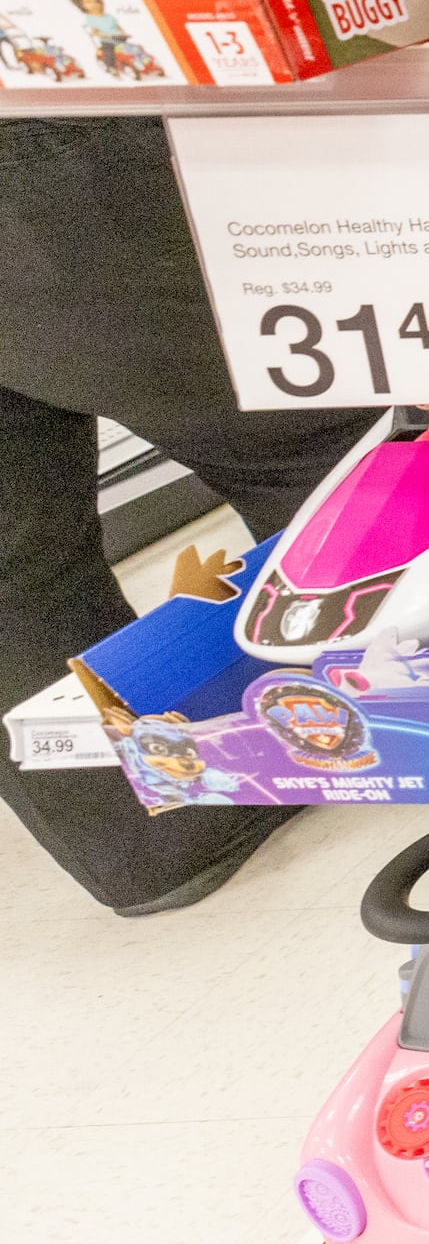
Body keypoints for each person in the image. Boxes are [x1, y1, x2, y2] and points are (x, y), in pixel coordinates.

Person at [0, 118, 377, 913]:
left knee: (12, 573)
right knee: (320, 450)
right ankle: (394, 736)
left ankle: (144, 837)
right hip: (51, 145)